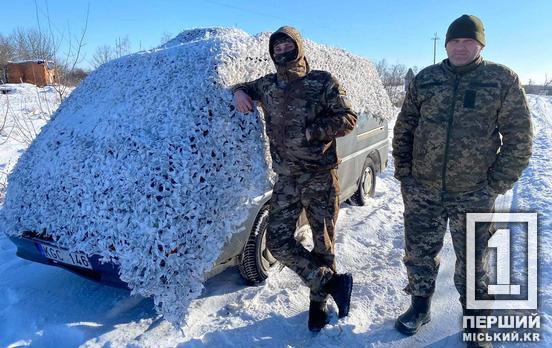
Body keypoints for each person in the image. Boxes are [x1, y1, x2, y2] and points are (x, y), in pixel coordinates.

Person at [392, 14, 533, 347]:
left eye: (468, 41)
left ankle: (475, 320)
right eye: (454, 41)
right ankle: (420, 307)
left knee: (474, 260)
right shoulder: (427, 80)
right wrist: (405, 175)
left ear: (480, 45)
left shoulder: (501, 80)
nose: (460, 47)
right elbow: (404, 128)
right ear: (446, 44)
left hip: (473, 192)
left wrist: (495, 183)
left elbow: (520, 138)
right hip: (423, 191)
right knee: (418, 255)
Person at [233, 26, 357, 332]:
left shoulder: (322, 81)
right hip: (286, 177)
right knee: (276, 240)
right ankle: (331, 283)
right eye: (276, 48)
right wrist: (239, 92)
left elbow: (348, 118)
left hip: (319, 176)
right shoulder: (268, 85)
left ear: (298, 47)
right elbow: (242, 87)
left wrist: (312, 133)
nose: (281, 51)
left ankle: (319, 306)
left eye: (287, 45)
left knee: (323, 245)